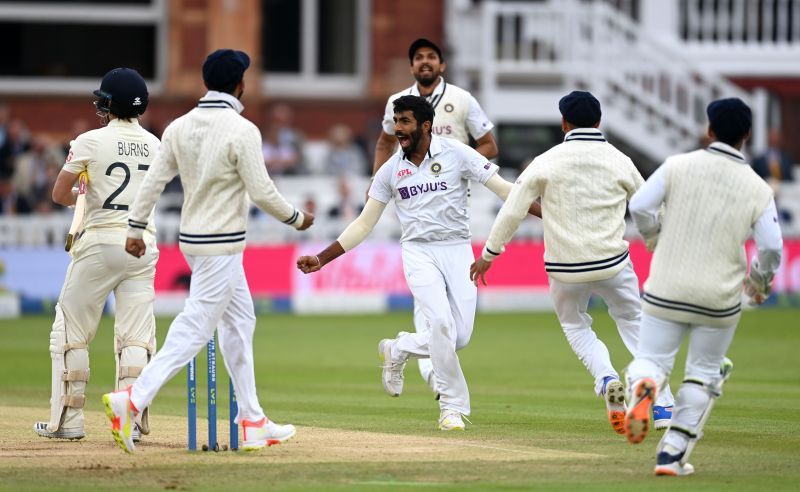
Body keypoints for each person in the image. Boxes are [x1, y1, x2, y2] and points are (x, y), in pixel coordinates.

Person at [102, 49, 314, 454]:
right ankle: (132, 399)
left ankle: (251, 419)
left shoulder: (179, 127)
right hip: (221, 244)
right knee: (196, 326)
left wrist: (134, 227)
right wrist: (297, 219)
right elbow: (262, 191)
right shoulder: (243, 129)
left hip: (196, 242)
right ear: (239, 84)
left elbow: (153, 183)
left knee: (240, 321)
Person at [298, 95, 533, 430]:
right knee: (440, 324)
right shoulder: (390, 170)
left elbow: (507, 191)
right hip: (418, 252)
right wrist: (322, 259)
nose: (398, 129)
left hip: (458, 250)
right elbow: (364, 223)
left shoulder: (456, 152)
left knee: (458, 338)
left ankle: (398, 348)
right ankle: (452, 408)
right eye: (396, 121)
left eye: (405, 121)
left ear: (425, 125)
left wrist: (550, 215)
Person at [470, 91, 675, 436]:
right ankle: (665, 407)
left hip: (565, 269)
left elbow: (513, 210)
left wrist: (489, 255)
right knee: (635, 323)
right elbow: (647, 206)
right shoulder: (619, 159)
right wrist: (658, 241)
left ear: (564, 123)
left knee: (577, 326)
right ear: (598, 122)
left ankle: (606, 377)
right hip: (613, 263)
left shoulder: (546, 160)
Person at [623, 98, 783, 476]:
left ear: (709, 130)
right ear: (746, 136)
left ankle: (645, 383)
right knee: (704, 371)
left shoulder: (678, 165)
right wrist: (760, 282)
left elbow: (641, 206)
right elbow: (773, 246)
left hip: (667, 286)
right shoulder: (757, 187)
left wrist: (653, 238)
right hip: (720, 296)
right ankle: (671, 454)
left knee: (651, 359)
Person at [33, 68, 160, 443]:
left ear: (109, 104)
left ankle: (69, 422)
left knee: (71, 331)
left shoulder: (88, 140)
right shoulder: (156, 144)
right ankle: (131, 425)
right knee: (136, 338)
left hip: (101, 242)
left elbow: (59, 194)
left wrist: (83, 197)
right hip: (142, 244)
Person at [373, 38, 499, 398]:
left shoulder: (462, 99)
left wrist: (457, 163)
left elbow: (489, 143)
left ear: (441, 66)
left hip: (455, 200)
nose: (425, 62)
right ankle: (437, 379)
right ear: (412, 66)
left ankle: (401, 350)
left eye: (431, 57)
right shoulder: (396, 102)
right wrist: (380, 183)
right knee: (428, 301)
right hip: (413, 197)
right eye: (418, 58)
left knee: (455, 327)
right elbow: (384, 144)